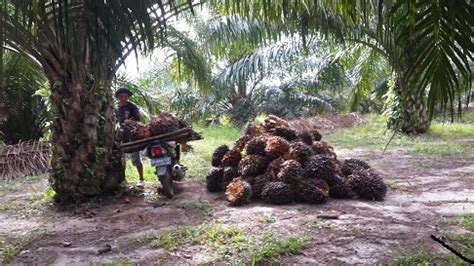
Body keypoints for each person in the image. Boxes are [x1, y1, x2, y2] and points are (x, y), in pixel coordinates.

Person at [115, 88, 144, 181]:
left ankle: (141, 178)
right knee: (119, 157)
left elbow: (138, 121)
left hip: (133, 135)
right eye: (121, 96)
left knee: (136, 158)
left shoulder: (132, 107)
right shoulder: (117, 109)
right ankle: (122, 178)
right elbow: (115, 121)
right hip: (123, 135)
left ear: (128, 97)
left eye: (125, 96)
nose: (123, 98)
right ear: (118, 97)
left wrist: (130, 123)